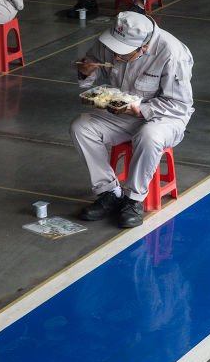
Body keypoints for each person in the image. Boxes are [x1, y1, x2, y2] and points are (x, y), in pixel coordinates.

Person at [72, 12, 194, 228]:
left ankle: (134, 199)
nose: (116, 57)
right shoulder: (110, 40)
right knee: (81, 127)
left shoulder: (172, 54)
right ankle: (109, 192)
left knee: (149, 135)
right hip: (123, 112)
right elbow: (91, 71)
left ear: (143, 47)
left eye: (123, 53)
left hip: (166, 116)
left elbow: (178, 105)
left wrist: (140, 110)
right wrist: (85, 71)